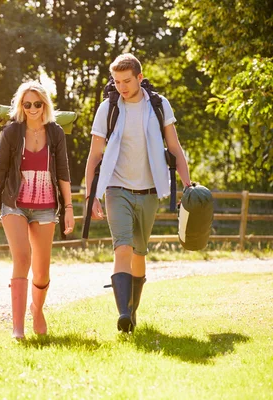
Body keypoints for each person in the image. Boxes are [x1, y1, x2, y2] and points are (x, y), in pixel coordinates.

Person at [84, 53, 191, 333]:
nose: (122, 86)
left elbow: (175, 149)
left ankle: (132, 312)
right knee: (122, 247)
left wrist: (187, 184)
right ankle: (122, 315)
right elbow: (94, 155)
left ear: (140, 78)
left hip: (149, 192)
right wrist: (90, 194)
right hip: (116, 188)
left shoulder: (158, 105)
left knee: (139, 254)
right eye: (117, 81)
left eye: (127, 81)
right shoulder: (107, 108)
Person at [0, 81, 75, 340]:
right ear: (20, 106)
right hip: (14, 202)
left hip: (45, 205)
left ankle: (37, 308)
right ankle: (17, 328)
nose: (32, 109)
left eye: (37, 104)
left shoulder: (55, 133)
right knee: (22, 259)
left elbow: (63, 172)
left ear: (45, 105)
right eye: (27, 104)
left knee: (42, 270)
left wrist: (68, 208)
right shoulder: (11, 132)